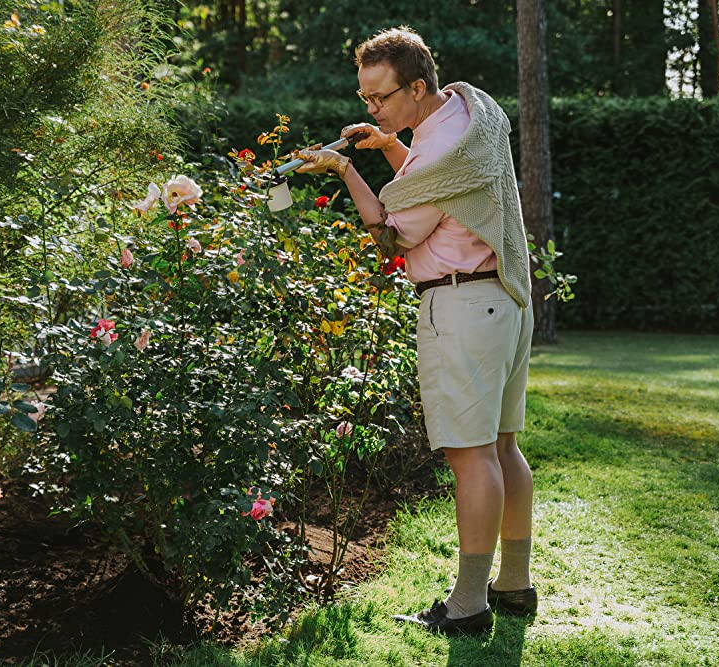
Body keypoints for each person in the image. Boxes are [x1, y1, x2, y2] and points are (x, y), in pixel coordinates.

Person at [295, 26, 538, 635]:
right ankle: (514, 585)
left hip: (460, 308)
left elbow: (392, 232)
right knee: (504, 447)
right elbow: (444, 192)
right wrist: (389, 147)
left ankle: (467, 604)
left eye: (379, 99)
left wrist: (346, 168)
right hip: (504, 300)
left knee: (471, 455)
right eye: (364, 100)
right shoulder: (471, 113)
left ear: (417, 87)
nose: (371, 109)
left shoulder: (436, 156)